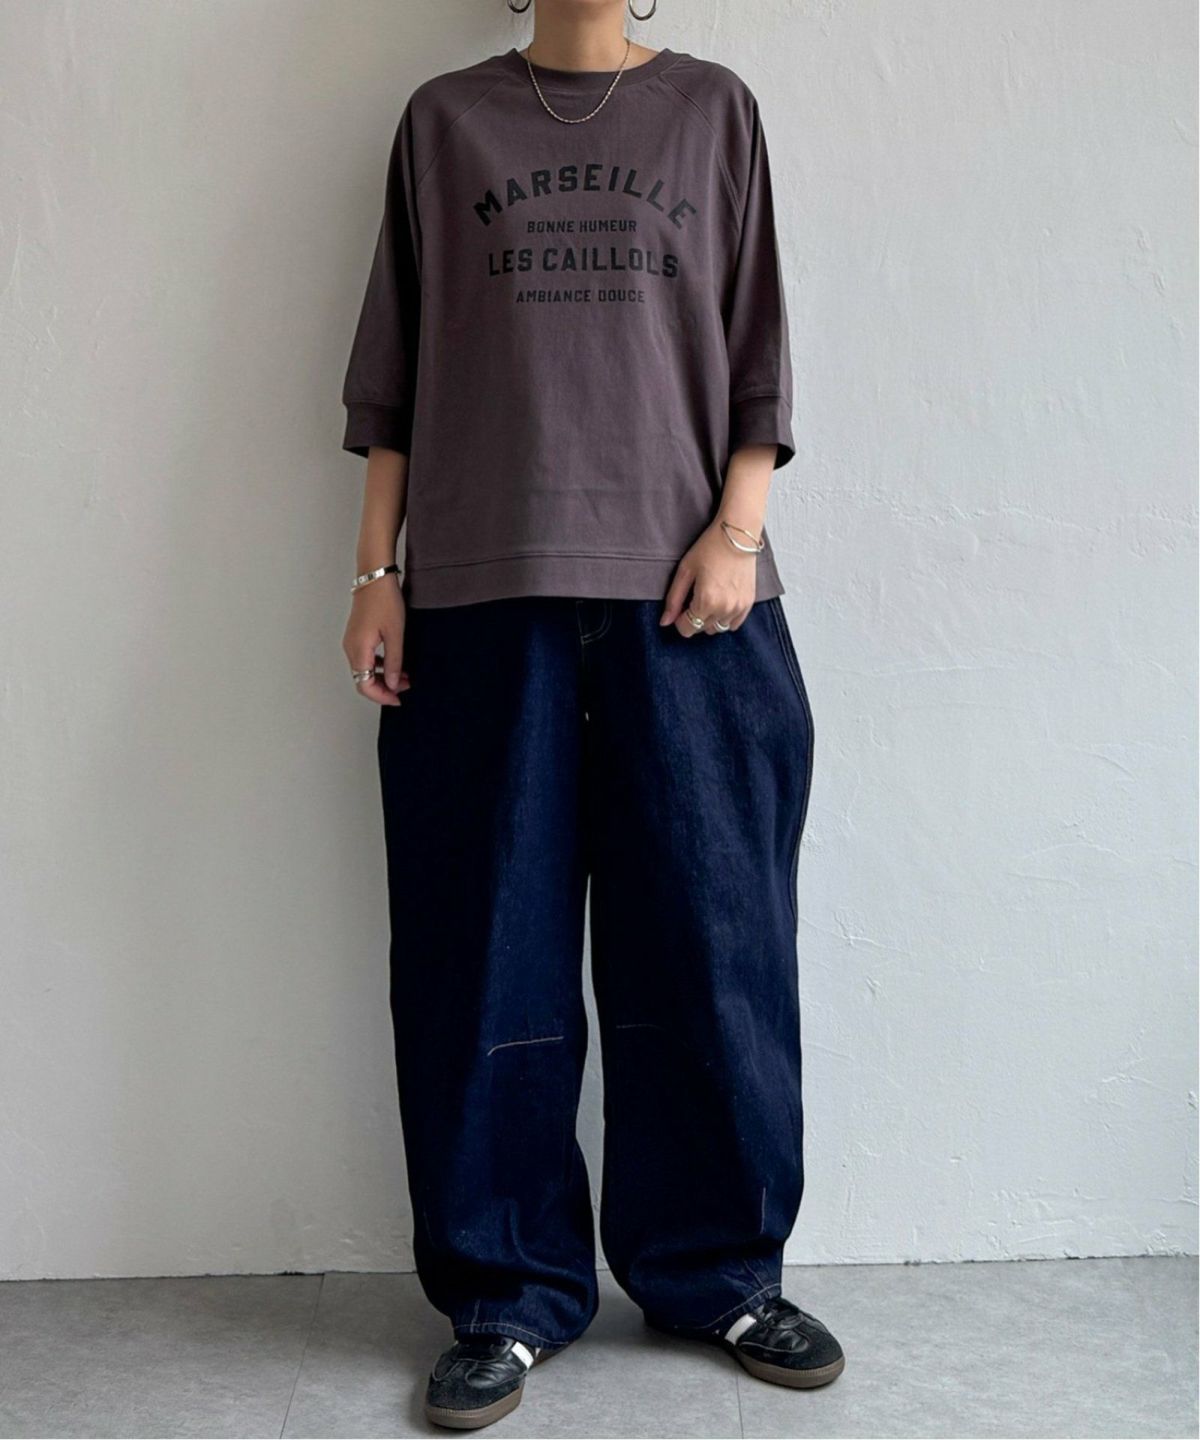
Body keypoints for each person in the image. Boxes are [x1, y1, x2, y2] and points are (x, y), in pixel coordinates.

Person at [339, 0, 843, 1428]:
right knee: (479, 959)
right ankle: (505, 1296)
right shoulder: (445, 120)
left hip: (691, 600)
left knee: (716, 948)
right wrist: (376, 574)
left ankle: (721, 1272)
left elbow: (757, 339)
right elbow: (394, 379)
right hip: (478, 599)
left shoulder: (714, 110)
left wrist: (738, 531)